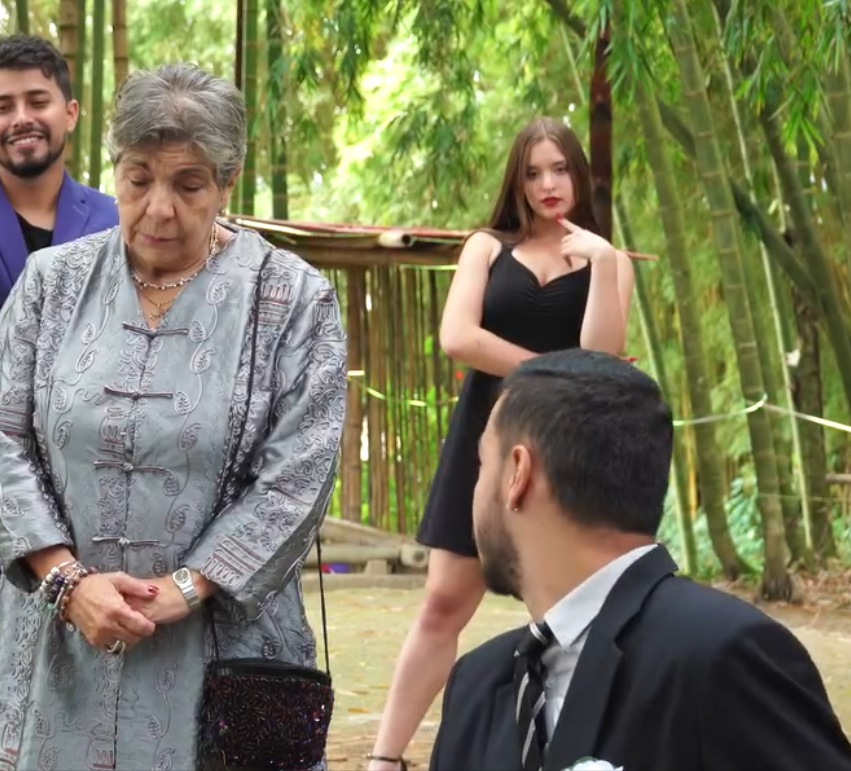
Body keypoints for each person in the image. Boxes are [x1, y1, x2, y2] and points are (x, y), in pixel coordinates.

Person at [0, 62, 346, 771]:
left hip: (224, 655)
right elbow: (3, 438)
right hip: (60, 642)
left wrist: (187, 587)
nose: (158, 209)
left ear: (227, 181)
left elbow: (297, 475)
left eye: (189, 185)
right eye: (137, 179)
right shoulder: (51, 285)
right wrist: (67, 581)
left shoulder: (292, 299)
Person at [429, 349, 851, 771]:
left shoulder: (721, 655)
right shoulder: (477, 686)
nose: (472, 492)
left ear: (517, 474)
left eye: (482, 464)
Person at [368, 117, 635, 770]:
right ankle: (384, 757)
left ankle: (566, 753)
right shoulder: (487, 247)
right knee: (441, 603)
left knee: (569, 613)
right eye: (533, 172)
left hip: (566, 447)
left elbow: (601, 357)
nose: (548, 184)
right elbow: (457, 337)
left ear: (579, 174)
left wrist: (602, 262)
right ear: (517, 181)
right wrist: (550, 370)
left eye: (559, 169)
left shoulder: (609, 260)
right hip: (484, 441)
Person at [0, 33, 117, 306]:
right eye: (3, 107)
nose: (22, 119)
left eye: (38, 103)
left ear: (70, 114)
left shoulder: (116, 222)